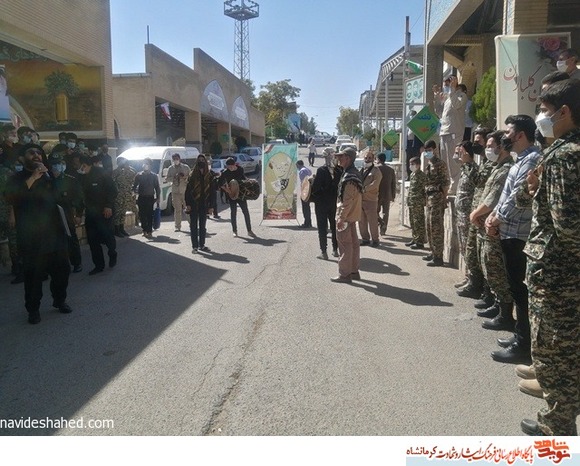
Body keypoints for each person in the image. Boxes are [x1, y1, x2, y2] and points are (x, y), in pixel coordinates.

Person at [517, 79, 580, 436]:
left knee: (554, 353)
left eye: (544, 111)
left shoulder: (563, 155)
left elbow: (568, 225)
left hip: (557, 274)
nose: (541, 117)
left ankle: (557, 428)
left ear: (564, 112)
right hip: (566, 272)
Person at [485, 115, 541, 365]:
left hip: (519, 235)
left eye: (508, 132)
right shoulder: (520, 161)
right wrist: (494, 217)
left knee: (521, 291)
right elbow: (505, 197)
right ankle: (521, 337)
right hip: (508, 232)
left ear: (520, 135)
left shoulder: (532, 160)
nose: (505, 137)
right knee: (517, 289)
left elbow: (519, 198)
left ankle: (524, 344)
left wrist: (496, 219)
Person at [5, 144, 72, 324]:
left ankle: (59, 300)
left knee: (62, 271)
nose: (36, 155)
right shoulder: (16, 178)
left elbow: (60, 198)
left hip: (54, 233)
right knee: (33, 276)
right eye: (31, 153)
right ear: (22, 158)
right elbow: (11, 197)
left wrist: (53, 178)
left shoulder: (48, 176)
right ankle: (33, 309)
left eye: (39, 153)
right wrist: (34, 177)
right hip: (32, 237)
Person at [469, 132, 515, 330]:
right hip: (486, 225)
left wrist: (475, 214)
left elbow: (492, 199)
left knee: (496, 270)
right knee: (489, 267)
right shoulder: (496, 167)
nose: (487, 149)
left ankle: (505, 315)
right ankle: (498, 305)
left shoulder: (506, 169)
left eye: (490, 145)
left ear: (501, 147)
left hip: (495, 228)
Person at [79, 155, 118, 275]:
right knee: (93, 240)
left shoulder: (101, 173)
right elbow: (80, 197)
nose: (81, 169)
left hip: (104, 211)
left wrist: (108, 205)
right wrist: (79, 213)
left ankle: (112, 253)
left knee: (108, 237)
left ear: (88, 165)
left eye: (83, 166)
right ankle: (98, 265)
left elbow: (113, 190)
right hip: (91, 214)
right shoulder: (81, 177)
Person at [48, 148, 84, 273]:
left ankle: (76, 263)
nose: (57, 166)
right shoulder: (46, 181)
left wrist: (78, 214)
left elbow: (79, 199)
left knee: (71, 239)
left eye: (59, 163)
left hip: (67, 215)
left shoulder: (70, 180)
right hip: (50, 217)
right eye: (54, 164)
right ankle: (58, 265)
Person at [332, 147, 363, 283]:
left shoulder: (349, 177)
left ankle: (345, 274)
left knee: (345, 245)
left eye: (341, 157)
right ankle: (354, 271)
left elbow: (347, 201)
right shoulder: (353, 173)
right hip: (352, 216)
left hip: (346, 216)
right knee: (353, 244)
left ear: (348, 158)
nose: (339, 159)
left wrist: (341, 218)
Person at [454, 141, 478, 281]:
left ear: (467, 152)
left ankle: (472, 279)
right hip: (461, 214)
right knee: (464, 247)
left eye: (460, 152)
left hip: (468, 214)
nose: (458, 155)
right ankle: (468, 277)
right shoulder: (464, 169)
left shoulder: (473, 170)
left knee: (469, 248)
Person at [311, 149, 342, 260]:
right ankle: (335, 250)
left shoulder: (321, 170)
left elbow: (316, 188)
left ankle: (324, 252)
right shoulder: (339, 170)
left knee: (322, 228)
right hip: (334, 203)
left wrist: (313, 181)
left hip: (321, 204)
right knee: (334, 227)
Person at [422, 139, 449, 267]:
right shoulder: (429, 164)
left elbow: (445, 183)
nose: (427, 152)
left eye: (429, 150)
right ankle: (433, 252)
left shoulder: (440, 164)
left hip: (437, 198)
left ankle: (438, 257)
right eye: (426, 151)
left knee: (436, 228)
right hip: (430, 199)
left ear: (435, 150)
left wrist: (443, 198)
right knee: (429, 227)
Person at [438, 75, 467, 195]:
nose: (447, 86)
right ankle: (447, 184)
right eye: (446, 84)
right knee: (445, 161)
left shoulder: (461, 96)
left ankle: (454, 186)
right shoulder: (448, 98)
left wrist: (453, 90)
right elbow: (439, 113)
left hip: (454, 132)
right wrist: (437, 99)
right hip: (444, 132)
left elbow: (456, 105)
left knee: (453, 161)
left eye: (449, 84)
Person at [218, 157, 254, 238]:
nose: (230, 168)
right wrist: (227, 190)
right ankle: (234, 231)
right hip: (232, 194)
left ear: (234, 165)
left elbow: (242, 179)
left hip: (241, 194)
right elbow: (219, 183)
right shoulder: (225, 172)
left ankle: (249, 230)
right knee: (233, 212)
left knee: (245, 211)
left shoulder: (240, 169)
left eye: (231, 166)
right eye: (228, 167)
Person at [185, 154, 212, 253]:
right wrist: (188, 204)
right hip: (193, 203)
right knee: (193, 225)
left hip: (204, 204)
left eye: (203, 160)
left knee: (202, 226)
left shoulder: (209, 175)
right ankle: (195, 246)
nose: (201, 162)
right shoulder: (192, 175)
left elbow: (212, 192)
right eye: (199, 160)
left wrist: (211, 206)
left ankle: (202, 245)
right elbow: (188, 191)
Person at [358, 149, 382, 247]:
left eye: (369, 158)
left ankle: (375, 240)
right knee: (361, 221)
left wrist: (364, 189)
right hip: (360, 200)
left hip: (371, 200)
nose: (367, 159)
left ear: (373, 159)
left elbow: (375, 184)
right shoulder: (361, 170)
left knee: (372, 222)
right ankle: (365, 239)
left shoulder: (376, 171)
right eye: (366, 157)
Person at [133, 157, 160, 239]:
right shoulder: (139, 175)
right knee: (142, 214)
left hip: (150, 197)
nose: (145, 165)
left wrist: (158, 197)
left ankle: (149, 231)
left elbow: (157, 187)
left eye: (147, 163)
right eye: (144, 163)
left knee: (149, 215)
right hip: (141, 197)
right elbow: (134, 186)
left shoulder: (154, 176)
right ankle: (144, 230)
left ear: (150, 165)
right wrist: (134, 191)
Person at [164, 153, 190, 232]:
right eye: (174, 159)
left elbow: (191, 177)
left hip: (185, 191)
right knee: (177, 209)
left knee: (187, 208)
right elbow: (167, 179)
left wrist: (184, 177)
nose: (176, 160)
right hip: (175, 192)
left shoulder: (185, 167)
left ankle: (192, 224)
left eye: (177, 159)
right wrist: (174, 177)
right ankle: (177, 226)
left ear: (179, 159)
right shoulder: (170, 168)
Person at [405, 156, 426, 249]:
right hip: (412, 202)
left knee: (418, 222)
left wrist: (423, 200)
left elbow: (425, 189)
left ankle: (420, 242)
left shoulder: (422, 176)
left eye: (412, 164)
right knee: (413, 222)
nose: (411, 166)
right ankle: (415, 238)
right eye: (410, 164)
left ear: (418, 165)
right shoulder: (412, 175)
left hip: (418, 202)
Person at [112, 156, 136, 237]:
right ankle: (116, 230)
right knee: (117, 213)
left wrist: (128, 169)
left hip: (126, 195)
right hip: (118, 196)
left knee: (123, 212)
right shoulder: (115, 172)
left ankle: (122, 228)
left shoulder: (129, 172)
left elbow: (134, 179)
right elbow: (112, 183)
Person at [376, 152, 397, 236]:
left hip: (377, 194)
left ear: (378, 159)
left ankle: (381, 222)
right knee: (386, 212)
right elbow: (393, 184)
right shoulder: (391, 170)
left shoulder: (376, 169)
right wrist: (393, 195)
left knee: (375, 212)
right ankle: (383, 229)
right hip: (387, 194)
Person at [296, 160, 312, 228]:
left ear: (298, 164)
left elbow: (304, 182)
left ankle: (306, 223)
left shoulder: (302, 171)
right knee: (307, 207)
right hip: (309, 191)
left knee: (305, 208)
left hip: (305, 191)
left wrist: (303, 192)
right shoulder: (307, 169)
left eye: (296, 165)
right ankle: (309, 222)